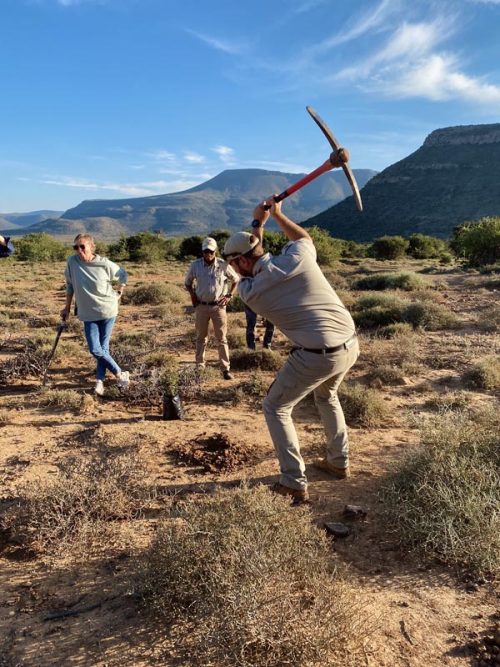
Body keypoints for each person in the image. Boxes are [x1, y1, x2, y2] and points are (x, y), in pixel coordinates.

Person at [223, 200, 359, 503]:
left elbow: (249, 277)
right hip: (350, 344)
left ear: (241, 263)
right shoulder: (298, 256)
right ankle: (339, 462)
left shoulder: (252, 292)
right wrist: (276, 216)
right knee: (326, 396)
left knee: (275, 407)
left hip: (316, 354)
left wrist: (259, 224)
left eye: (232, 264)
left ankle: (293, 482)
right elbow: (302, 239)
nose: (233, 271)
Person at [60, 233, 129, 396]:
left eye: (82, 246)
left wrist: (119, 290)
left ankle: (100, 381)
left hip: (107, 310)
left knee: (102, 349)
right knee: (96, 350)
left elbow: (123, 274)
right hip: (87, 313)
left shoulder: (104, 264)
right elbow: (70, 286)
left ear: (92, 247)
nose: (79, 250)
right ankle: (120, 374)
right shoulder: (72, 262)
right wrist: (66, 308)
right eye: (75, 247)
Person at [184, 237, 239, 380]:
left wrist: (229, 295)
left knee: (222, 338)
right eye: (205, 251)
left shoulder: (223, 265)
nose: (208, 254)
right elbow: (188, 283)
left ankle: (225, 368)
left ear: (215, 251)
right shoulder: (195, 265)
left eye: (210, 251)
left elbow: (236, 280)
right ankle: (200, 367)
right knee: (201, 338)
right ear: (202, 251)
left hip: (218, 307)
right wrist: (193, 296)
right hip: (202, 306)